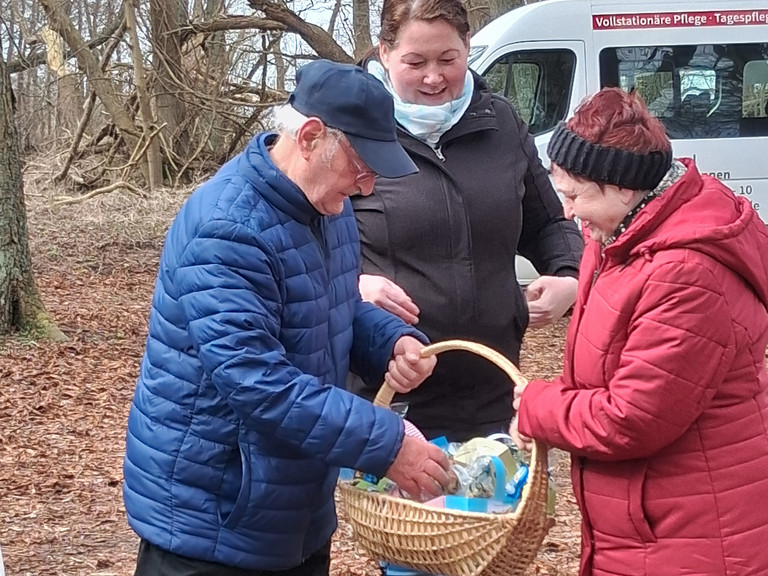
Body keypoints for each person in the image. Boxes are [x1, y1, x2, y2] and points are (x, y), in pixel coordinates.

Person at [122, 59, 453, 576]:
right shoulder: (228, 228)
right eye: (360, 166)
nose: (366, 187)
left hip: (291, 511)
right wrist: (385, 443)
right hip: (212, 519)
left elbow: (333, 309)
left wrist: (390, 342)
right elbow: (257, 381)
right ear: (310, 137)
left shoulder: (330, 211)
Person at [511, 87, 768, 575]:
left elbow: (632, 417)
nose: (567, 213)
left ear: (624, 188)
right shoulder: (619, 238)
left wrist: (538, 408)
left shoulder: (688, 273)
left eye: (573, 194)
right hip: (646, 522)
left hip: (694, 534)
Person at [349, 0, 585, 444]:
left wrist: (569, 277)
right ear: (383, 53)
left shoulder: (501, 123)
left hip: (493, 385)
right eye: (415, 62)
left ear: (468, 48)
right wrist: (351, 283)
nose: (434, 77)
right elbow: (300, 248)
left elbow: (551, 222)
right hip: (389, 388)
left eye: (448, 59)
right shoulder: (353, 131)